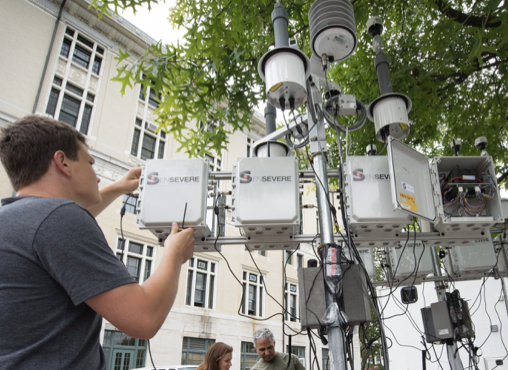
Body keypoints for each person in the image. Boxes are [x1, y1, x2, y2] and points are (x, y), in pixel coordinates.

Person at [0, 115, 195, 369]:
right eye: (90, 163)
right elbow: (144, 318)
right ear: (63, 163)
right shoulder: (60, 219)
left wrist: (118, 187)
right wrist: (175, 254)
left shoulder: (15, 220)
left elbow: (49, 227)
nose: (97, 175)